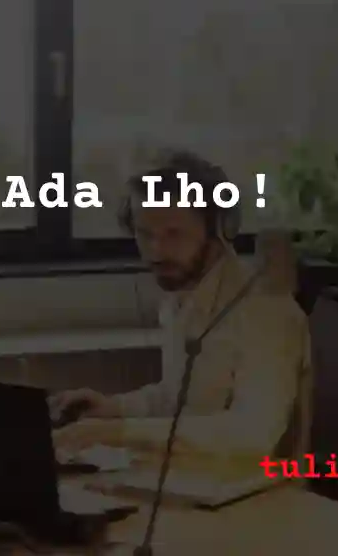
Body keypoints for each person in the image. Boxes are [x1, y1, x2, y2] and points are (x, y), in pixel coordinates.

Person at [50, 150, 310, 460]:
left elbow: (252, 435)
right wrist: (114, 408)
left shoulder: (267, 312)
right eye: (144, 234)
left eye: (174, 235)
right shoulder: (181, 298)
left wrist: (119, 432)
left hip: (255, 484)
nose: (156, 252)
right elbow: (179, 399)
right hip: (193, 474)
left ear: (218, 231)